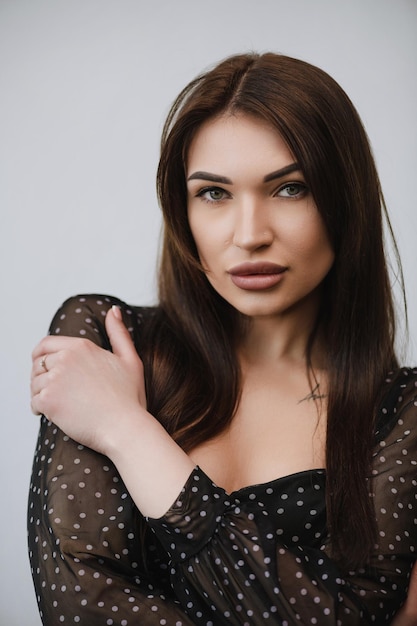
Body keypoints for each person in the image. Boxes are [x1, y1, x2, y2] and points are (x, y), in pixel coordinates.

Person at [28, 52, 417, 625]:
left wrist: (128, 433)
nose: (249, 234)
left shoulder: (400, 409)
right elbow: (81, 608)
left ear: (345, 200)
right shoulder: (105, 341)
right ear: (181, 210)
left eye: (290, 189)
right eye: (213, 193)